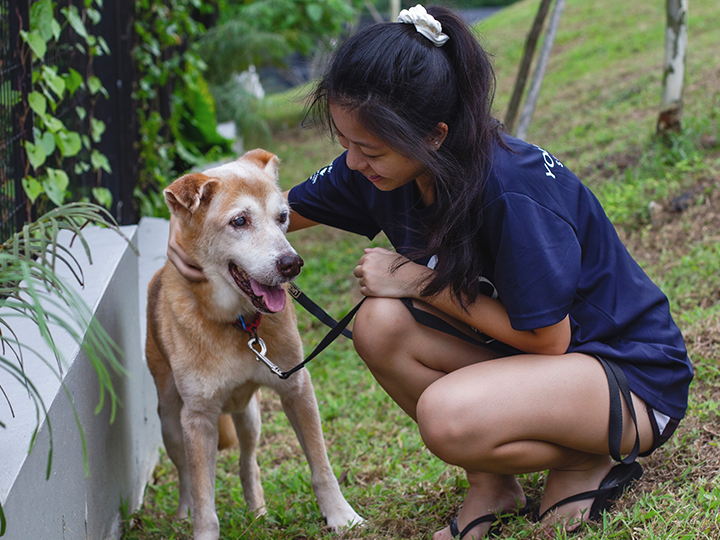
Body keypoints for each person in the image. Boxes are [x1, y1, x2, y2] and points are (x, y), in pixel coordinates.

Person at [168, 5, 693, 538]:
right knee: (379, 325)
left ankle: (588, 459)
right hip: (550, 369)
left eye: (367, 149)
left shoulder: (513, 189)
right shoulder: (380, 170)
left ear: (434, 136)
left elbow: (548, 340)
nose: (351, 162)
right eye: (343, 143)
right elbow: (277, 207)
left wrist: (415, 281)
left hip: (626, 377)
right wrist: (190, 232)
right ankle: (492, 483)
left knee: (444, 415)